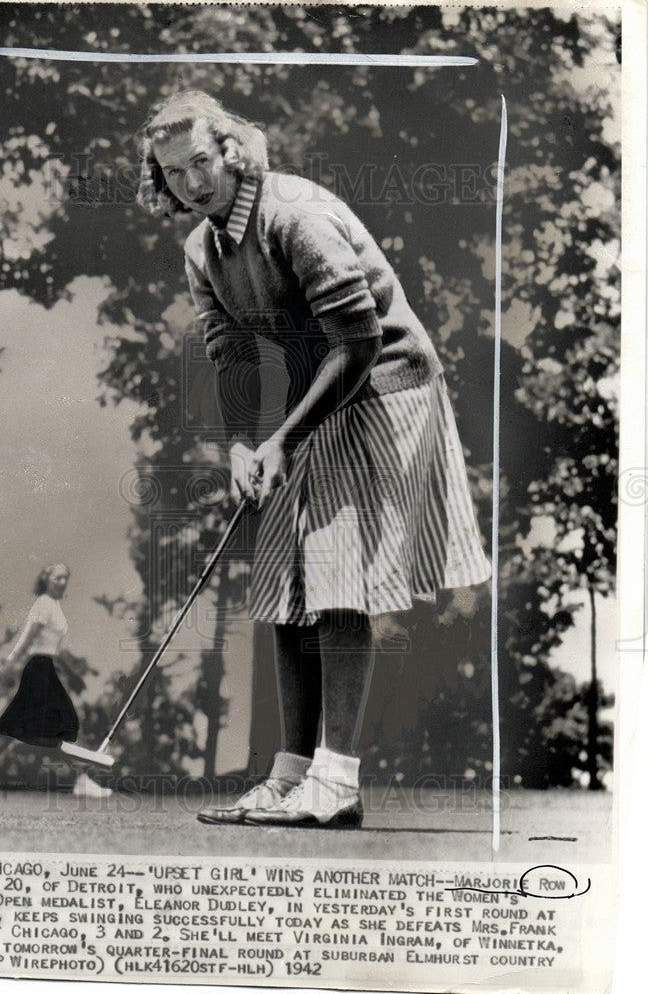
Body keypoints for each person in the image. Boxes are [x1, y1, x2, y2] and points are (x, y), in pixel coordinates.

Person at [138, 91, 490, 828]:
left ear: (230, 152)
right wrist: (243, 442)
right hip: (318, 401)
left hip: (385, 387)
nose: (193, 182)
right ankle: (291, 774)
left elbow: (360, 343)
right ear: (161, 180)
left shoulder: (294, 214)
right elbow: (230, 351)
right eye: (174, 173)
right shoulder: (201, 250)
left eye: (201, 161)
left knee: (334, 576)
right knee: (283, 580)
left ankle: (337, 782)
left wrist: (283, 438)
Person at [0, 564, 112, 798]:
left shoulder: (54, 606)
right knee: (64, 724)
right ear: (46, 579)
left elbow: (52, 646)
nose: (62, 582)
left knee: (20, 723)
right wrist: (10, 662)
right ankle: (82, 780)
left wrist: (67, 670)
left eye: (65, 578)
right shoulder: (43, 604)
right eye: (57, 578)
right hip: (38, 668)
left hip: (46, 667)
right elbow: (28, 637)